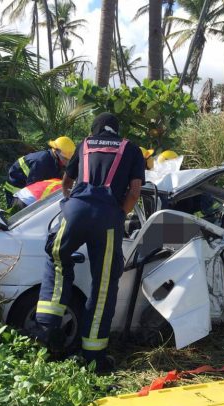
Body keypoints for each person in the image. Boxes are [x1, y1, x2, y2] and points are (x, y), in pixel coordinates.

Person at [34, 113, 145, 371]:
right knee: (103, 286)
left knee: (58, 259)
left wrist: (69, 205)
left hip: (74, 212)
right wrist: (119, 215)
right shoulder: (131, 149)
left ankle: (46, 331)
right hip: (107, 218)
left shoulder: (84, 144)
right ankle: (93, 357)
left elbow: (66, 183)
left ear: (95, 129)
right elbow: (135, 191)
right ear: (117, 130)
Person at [4, 136, 76, 208]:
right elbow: (33, 189)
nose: (68, 162)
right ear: (57, 151)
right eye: (66, 159)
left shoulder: (54, 160)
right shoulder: (42, 162)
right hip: (16, 194)